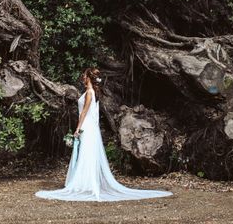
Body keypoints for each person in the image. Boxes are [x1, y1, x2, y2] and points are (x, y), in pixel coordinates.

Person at [35, 67, 173, 201]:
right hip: (89, 126)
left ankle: (87, 183)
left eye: (84, 75)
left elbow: (84, 112)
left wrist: (77, 128)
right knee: (85, 153)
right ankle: (85, 182)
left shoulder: (90, 92)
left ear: (89, 77)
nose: (82, 77)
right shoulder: (91, 92)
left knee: (86, 153)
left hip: (87, 127)